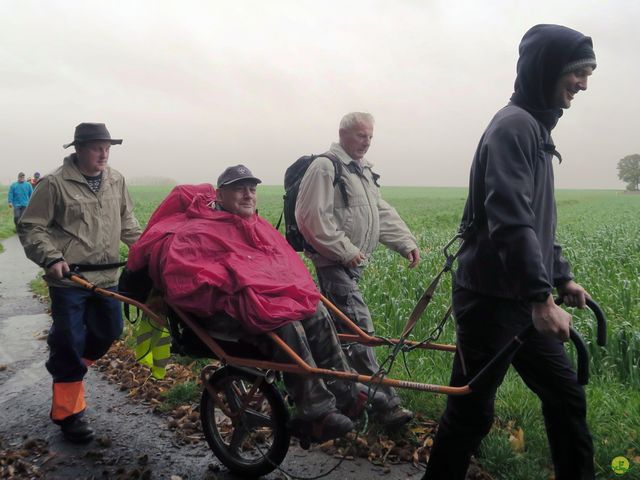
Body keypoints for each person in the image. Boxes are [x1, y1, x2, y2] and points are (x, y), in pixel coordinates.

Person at [423, 25, 597, 479]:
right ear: (547, 69)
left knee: (566, 396)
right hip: (489, 301)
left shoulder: (536, 129)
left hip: (520, 300)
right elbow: (509, 219)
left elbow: (539, 219)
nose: (583, 83)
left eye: (587, 73)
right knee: (471, 412)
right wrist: (542, 298)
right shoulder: (514, 127)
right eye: (578, 71)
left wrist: (561, 278)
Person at [128, 165, 384, 441]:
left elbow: (282, 268)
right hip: (222, 318)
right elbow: (191, 283)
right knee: (285, 323)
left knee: (316, 311)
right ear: (220, 194)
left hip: (259, 304)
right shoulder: (196, 231)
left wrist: (278, 293)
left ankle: (347, 392)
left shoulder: (255, 225)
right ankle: (316, 412)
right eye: (239, 189)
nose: (248, 195)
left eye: (252, 189)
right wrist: (245, 295)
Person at [295, 112, 421, 428]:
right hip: (333, 264)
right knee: (360, 331)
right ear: (343, 134)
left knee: (341, 334)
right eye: (360, 135)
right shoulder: (326, 167)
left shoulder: (360, 170)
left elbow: (379, 211)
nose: (366, 142)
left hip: (350, 265)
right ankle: (387, 407)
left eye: (370, 137)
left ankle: (334, 394)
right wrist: (346, 251)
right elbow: (311, 217)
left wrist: (405, 242)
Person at [18, 123, 141, 443]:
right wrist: (52, 258)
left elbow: (128, 222)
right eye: (97, 148)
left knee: (109, 331)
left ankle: (67, 367)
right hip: (70, 280)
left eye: (107, 148)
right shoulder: (54, 184)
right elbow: (32, 228)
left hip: (107, 277)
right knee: (69, 340)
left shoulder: (116, 180)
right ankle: (69, 413)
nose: (104, 154)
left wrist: (147, 251)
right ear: (79, 150)